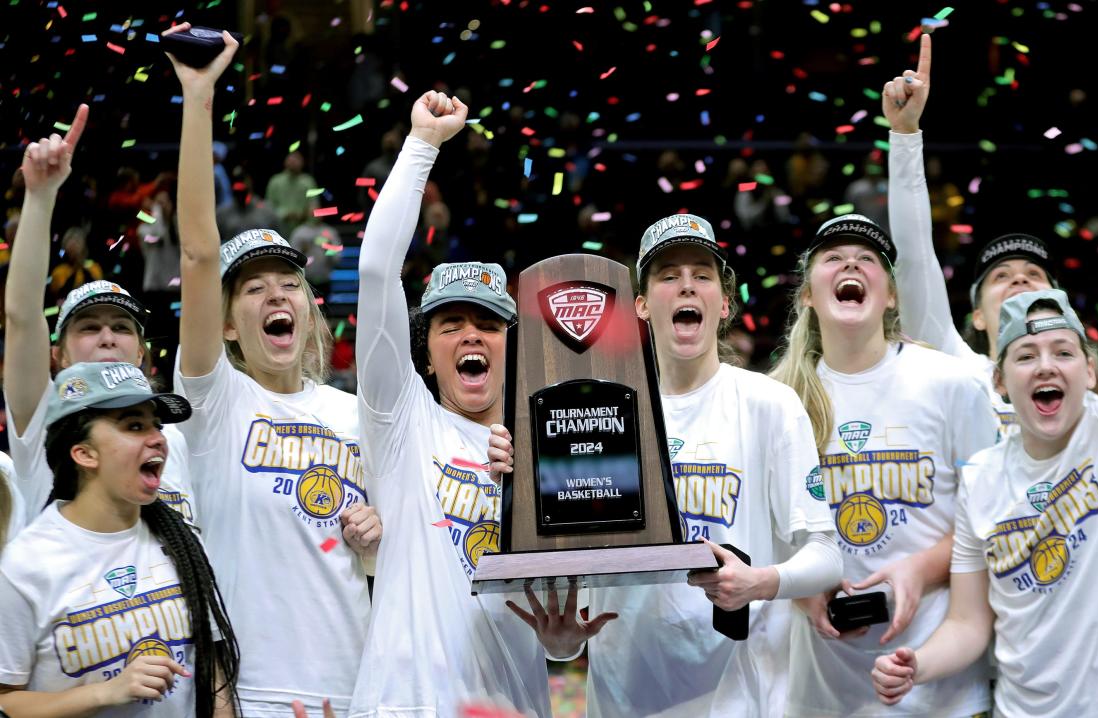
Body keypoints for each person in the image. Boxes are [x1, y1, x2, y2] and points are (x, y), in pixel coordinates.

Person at [872, 98, 1098, 717]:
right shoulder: (979, 464)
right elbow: (972, 625)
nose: (1046, 364)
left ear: (1091, 367)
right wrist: (917, 663)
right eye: (1027, 355)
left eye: (1062, 350)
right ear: (999, 377)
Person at [167, 23, 379, 717]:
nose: (276, 296)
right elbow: (199, 255)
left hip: (362, 689)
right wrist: (199, 99)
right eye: (254, 290)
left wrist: (379, 543)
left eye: (289, 284)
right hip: (251, 696)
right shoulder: (214, 402)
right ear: (227, 324)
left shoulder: (353, 415)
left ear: (312, 308)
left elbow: (391, 561)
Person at [570, 213, 842, 718]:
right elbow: (575, 569)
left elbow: (827, 556)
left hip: (742, 696)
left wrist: (758, 582)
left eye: (702, 275)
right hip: (626, 697)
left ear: (723, 303)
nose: (687, 286)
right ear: (643, 305)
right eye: (668, 276)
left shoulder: (771, 405)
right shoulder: (600, 415)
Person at [349, 89, 550, 717]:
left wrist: (565, 641)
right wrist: (422, 145)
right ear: (426, 351)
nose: (470, 335)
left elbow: (565, 611)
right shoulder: (401, 418)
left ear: (509, 347)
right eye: (450, 325)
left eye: (488, 325)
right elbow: (379, 271)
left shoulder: (546, 450)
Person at [769, 212, 997, 716]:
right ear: (808, 294)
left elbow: (994, 517)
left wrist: (922, 568)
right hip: (825, 690)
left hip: (940, 685)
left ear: (890, 295)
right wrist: (800, 589)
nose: (851, 262)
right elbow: (768, 532)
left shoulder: (950, 383)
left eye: (867, 259)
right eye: (833, 258)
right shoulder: (779, 400)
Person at [0, 361, 240, 718]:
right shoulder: (27, 564)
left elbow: (213, 669)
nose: (157, 437)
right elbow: (6, 699)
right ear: (84, 453)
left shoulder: (182, 541)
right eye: (134, 426)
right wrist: (105, 692)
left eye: (156, 426)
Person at [4, 108, 197, 529]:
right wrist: (40, 197)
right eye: (89, 327)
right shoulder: (45, 423)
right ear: (58, 356)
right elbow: (21, 317)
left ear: (143, 355)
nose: (108, 337)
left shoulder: (175, 441)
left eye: (122, 327)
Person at [886, 34, 1056, 432]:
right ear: (977, 317)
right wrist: (905, 134)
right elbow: (914, 256)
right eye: (1001, 276)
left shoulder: (1092, 390)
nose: (1018, 277)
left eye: (1033, 275)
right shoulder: (959, 371)